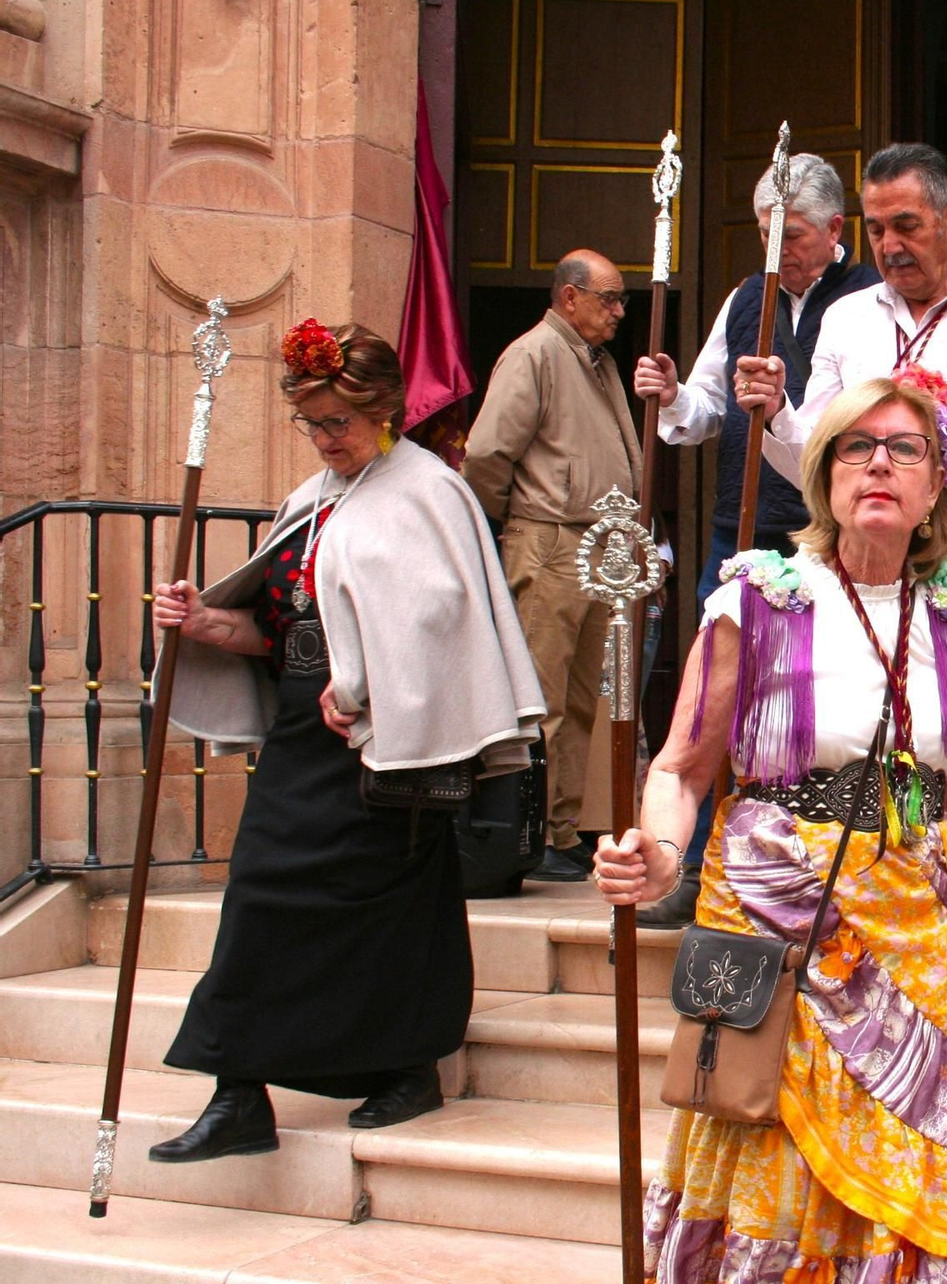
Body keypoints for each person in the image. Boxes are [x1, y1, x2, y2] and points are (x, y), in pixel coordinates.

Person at [591, 375, 947, 1281]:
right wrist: (659, 858)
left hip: (925, 938)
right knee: (778, 1153)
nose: (879, 464)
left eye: (905, 448)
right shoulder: (757, 602)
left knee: (915, 1157)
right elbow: (680, 767)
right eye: (854, 447)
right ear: (824, 475)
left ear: (937, 483)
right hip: (778, 928)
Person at [146, 321, 544, 1161]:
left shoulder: (428, 490)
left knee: (392, 908)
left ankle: (407, 1066)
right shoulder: (316, 498)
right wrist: (203, 620)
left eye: (338, 422)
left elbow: (439, 617)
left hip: (388, 738)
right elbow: (281, 623)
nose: (326, 439)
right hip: (303, 734)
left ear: (388, 410)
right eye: (312, 423)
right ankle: (239, 1091)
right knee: (258, 892)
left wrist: (364, 685)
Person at [631, 152, 880, 928]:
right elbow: (705, 403)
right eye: (767, 234)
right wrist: (674, 394)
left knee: (816, 704)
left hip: (830, 536)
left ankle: (810, 873)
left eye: (795, 236)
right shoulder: (747, 297)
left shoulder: (870, 301)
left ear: (836, 229)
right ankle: (690, 866)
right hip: (739, 527)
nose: (778, 253)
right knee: (714, 703)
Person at [733, 141, 947, 523]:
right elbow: (814, 465)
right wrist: (777, 410)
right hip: (868, 559)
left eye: (906, 226)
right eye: (876, 230)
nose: (890, 246)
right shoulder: (845, 319)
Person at [463, 248, 644, 881]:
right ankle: (529, 830)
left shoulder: (596, 363)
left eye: (621, 299)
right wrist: (502, 525)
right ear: (570, 297)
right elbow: (487, 452)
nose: (620, 311)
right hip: (550, 541)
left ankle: (560, 831)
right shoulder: (535, 353)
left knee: (582, 702)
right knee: (542, 699)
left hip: (599, 547)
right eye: (609, 298)